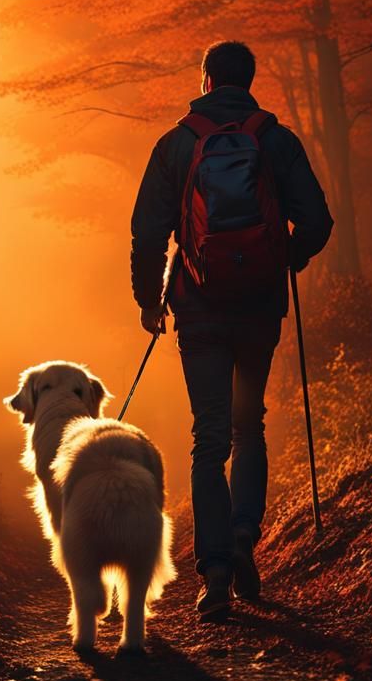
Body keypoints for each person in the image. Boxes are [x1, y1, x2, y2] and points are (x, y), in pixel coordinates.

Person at [130, 40, 333, 621]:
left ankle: (215, 573)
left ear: (206, 78)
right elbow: (317, 219)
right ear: (249, 80)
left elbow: (148, 232)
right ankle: (245, 535)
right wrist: (287, 258)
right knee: (250, 426)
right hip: (259, 307)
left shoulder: (177, 144)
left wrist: (150, 301)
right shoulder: (275, 138)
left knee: (209, 437)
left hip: (199, 307)